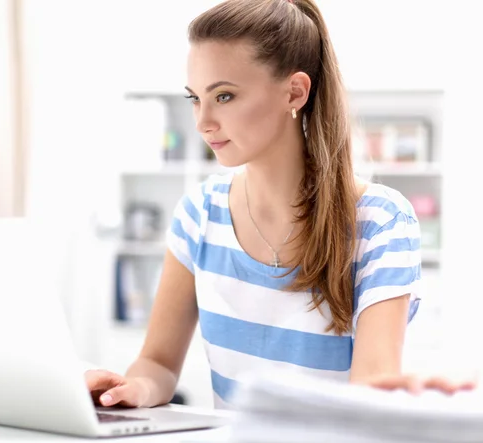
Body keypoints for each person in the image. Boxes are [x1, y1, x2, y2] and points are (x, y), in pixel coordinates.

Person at [86, 0, 476, 409]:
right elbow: (158, 364)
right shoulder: (199, 214)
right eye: (195, 98)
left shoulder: (380, 223)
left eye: (224, 96)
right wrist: (128, 389)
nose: (202, 121)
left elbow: (371, 396)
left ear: (295, 92)